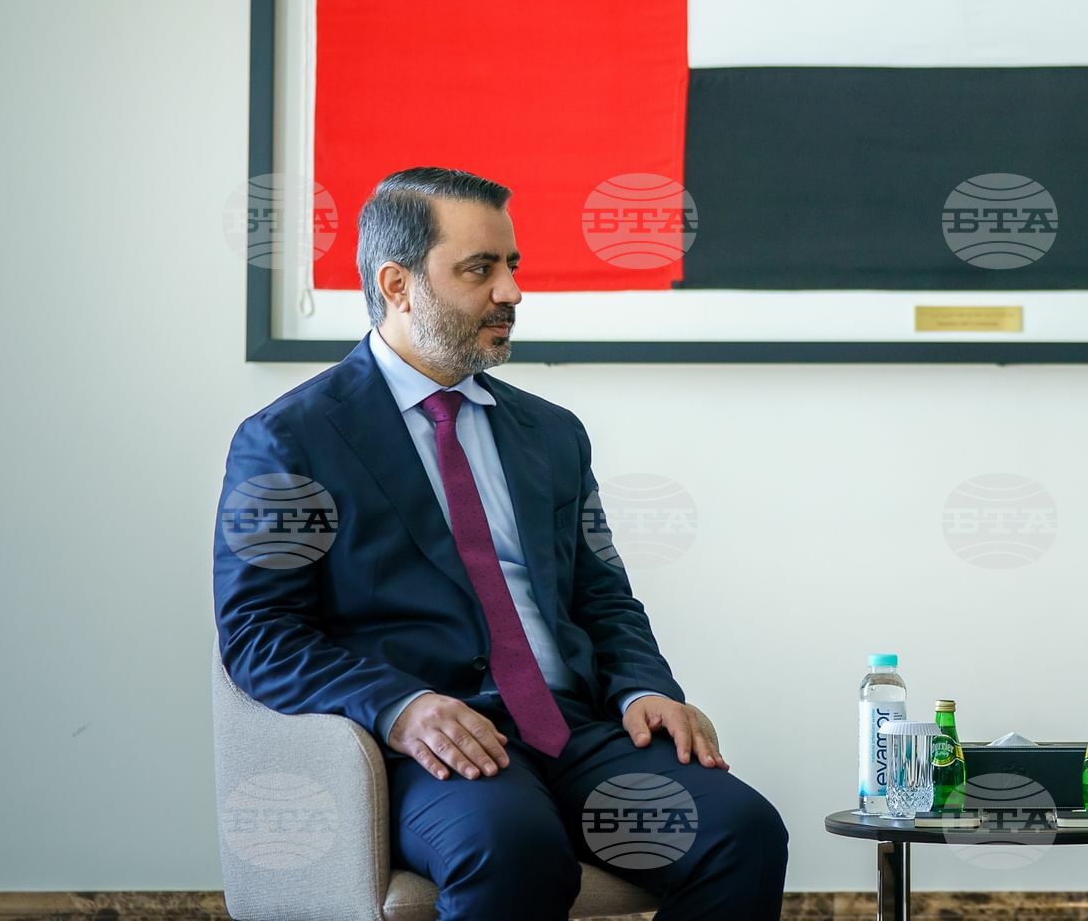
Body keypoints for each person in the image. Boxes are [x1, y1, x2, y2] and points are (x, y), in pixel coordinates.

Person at [213, 167, 787, 920]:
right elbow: (260, 632)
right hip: (432, 741)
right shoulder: (289, 439)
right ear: (397, 284)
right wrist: (401, 706)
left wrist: (645, 688)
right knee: (516, 848)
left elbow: (603, 596)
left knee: (742, 833)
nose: (511, 291)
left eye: (511, 265)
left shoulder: (551, 433)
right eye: (479, 269)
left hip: (575, 728)